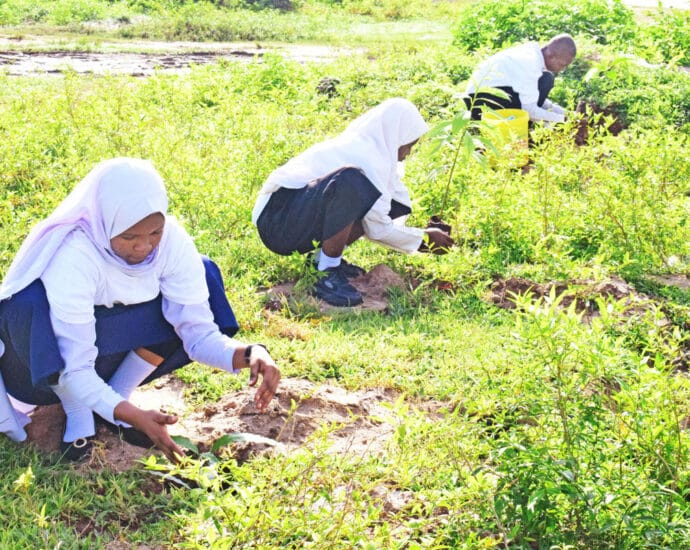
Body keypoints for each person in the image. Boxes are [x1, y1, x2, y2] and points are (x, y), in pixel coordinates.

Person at [0, 158, 280, 463]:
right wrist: (137, 416)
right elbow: (76, 367)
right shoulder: (76, 256)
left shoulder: (172, 242)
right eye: (129, 236)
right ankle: (79, 412)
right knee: (27, 302)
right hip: (42, 365)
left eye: (154, 233)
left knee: (204, 272)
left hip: (113, 339)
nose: (143, 247)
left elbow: (198, 336)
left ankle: (116, 397)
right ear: (103, 223)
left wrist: (252, 353)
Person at [251, 98, 454, 307]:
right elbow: (378, 229)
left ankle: (321, 261)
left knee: (384, 198)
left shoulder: (375, 152)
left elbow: (388, 208)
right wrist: (425, 240)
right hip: (277, 220)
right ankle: (325, 273)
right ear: (396, 136)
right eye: (409, 145)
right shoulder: (364, 155)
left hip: (295, 215)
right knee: (352, 182)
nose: (408, 152)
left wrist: (422, 234)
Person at [464, 34, 577, 123]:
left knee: (545, 79)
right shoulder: (530, 63)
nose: (563, 69)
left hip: (488, 96)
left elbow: (535, 98)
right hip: (480, 104)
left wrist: (568, 114)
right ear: (551, 56)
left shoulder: (534, 55)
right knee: (546, 80)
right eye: (563, 65)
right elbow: (530, 110)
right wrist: (564, 120)